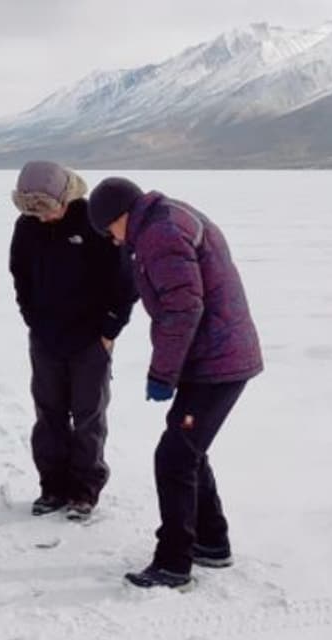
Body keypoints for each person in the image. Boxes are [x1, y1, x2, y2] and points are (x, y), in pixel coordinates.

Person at [87, 177, 263, 590]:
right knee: (188, 448)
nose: (113, 242)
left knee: (175, 456)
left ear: (120, 217)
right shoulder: (166, 219)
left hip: (218, 360)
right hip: (217, 356)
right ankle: (211, 542)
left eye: (109, 231)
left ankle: (173, 563)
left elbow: (183, 308)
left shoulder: (160, 234)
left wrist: (162, 373)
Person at [9, 161, 135, 521]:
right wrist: (32, 319)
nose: (45, 220)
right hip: (46, 337)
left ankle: (85, 490)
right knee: (48, 414)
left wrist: (110, 330)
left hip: (91, 340)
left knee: (88, 415)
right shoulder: (27, 227)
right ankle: (52, 487)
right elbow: (20, 276)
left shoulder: (95, 222)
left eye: (49, 210)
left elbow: (125, 281)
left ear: (65, 197)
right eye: (35, 213)